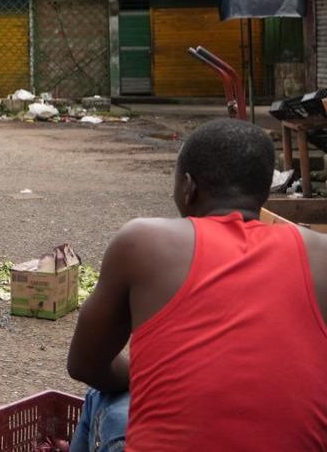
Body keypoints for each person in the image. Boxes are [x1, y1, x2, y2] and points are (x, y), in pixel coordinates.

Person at [66, 118, 327, 449]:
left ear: (188, 187)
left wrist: (155, 377)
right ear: (264, 193)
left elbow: (85, 364)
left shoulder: (143, 242)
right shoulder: (320, 254)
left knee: (100, 397)